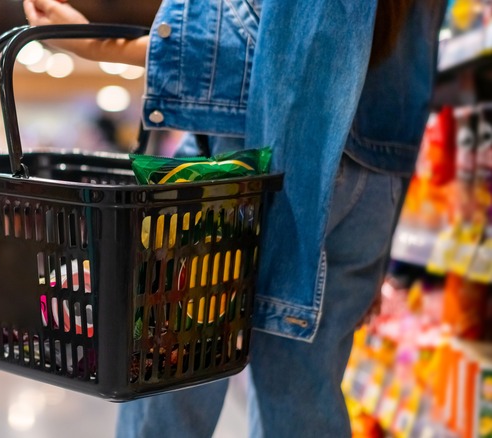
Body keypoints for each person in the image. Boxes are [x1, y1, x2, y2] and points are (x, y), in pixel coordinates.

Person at [23, 0, 446, 436]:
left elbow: (261, 47)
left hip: (244, 166)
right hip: (374, 178)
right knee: (303, 391)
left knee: (174, 368)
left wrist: (102, 45)